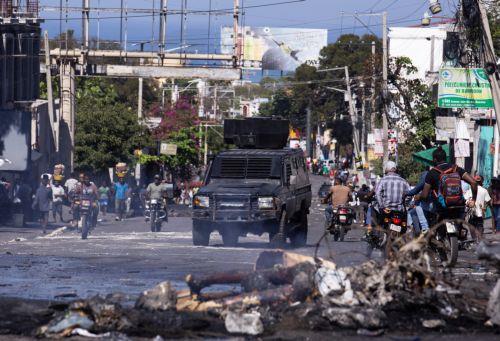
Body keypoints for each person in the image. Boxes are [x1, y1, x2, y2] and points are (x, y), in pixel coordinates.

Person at [418, 146, 477, 222]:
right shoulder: (456, 168)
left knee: (433, 223)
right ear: (445, 158)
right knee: (461, 225)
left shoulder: (432, 173)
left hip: (442, 208)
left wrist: (419, 196)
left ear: (434, 159)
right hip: (458, 206)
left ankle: (431, 231)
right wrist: (474, 200)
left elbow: (425, 195)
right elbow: (474, 183)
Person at [465, 175, 491, 241]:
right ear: (481, 181)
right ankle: (479, 240)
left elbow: (465, 199)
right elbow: (488, 201)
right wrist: (484, 208)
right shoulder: (484, 190)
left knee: (471, 226)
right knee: (480, 226)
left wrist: (468, 203)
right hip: (480, 213)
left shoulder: (470, 190)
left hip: (471, 213)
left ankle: (474, 240)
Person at [406, 170, 431, 234]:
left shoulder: (425, 181)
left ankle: (422, 228)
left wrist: (405, 194)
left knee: (414, 210)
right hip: (437, 205)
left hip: (429, 206)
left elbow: (415, 191)